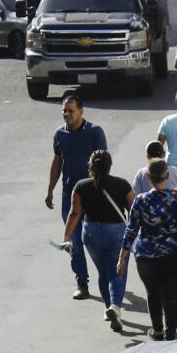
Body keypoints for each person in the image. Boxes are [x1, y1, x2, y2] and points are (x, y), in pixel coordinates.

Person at [119, 160, 177, 341]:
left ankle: (158, 330)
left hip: (146, 257)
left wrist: (122, 257)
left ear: (148, 177)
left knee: (152, 293)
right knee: (172, 297)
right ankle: (171, 334)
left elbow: (131, 230)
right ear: (167, 175)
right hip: (175, 255)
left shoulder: (140, 200)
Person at [45, 95, 107, 302]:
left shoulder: (95, 132)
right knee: (74, 242)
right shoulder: (59, 134)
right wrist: (50, 190)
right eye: (64, 110)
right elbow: (57, 162)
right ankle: (82, 282)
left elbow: (103, 164)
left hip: (92, 195)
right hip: (69, 197)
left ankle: (107, 277)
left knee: (95, 241)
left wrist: (101, 190)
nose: (67, 114)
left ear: (81, 111)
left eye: (70, 110)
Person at [63, 149, 133, 331]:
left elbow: (75, 213)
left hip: (91, 233)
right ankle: (115, 307)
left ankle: (108, 307)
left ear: (91, 166)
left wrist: (67, 236)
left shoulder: (81, 186)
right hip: (116, 232)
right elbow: (134, 210)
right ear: (110, 166)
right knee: (118, 271)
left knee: (103, 272)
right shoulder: (122, 184)